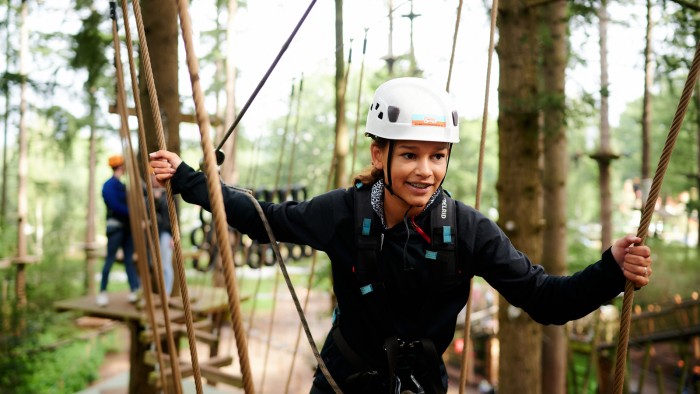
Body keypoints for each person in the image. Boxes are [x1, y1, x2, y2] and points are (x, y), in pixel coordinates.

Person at [149, 77, 653, 393]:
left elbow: (545, 299)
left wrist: (610, 268)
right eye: (409, 154)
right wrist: (189, 179)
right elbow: (265, 219)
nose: (425, 171)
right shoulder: (342, 214)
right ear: (378, 155)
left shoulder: (468, 230)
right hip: (343, 378)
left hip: (420, 385)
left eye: (437, 156)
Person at [97, 154, 141, 307]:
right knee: (110, 259)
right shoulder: (109, 185)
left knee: (129, 259)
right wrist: (133, 213)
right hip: (116, 228)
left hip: (127, 228)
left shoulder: (122, 186)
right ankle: (102, 291)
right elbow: (115, 205)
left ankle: (134, 290)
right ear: (121, 167)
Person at [151, 173, 175, 296]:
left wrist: (173, 236)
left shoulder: (168, 194)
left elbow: (173, 217)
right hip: (161, 233)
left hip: (167, 234)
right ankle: (165, 291)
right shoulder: (157, 195)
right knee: (161, 263)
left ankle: (167, 292)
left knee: (166, 264)